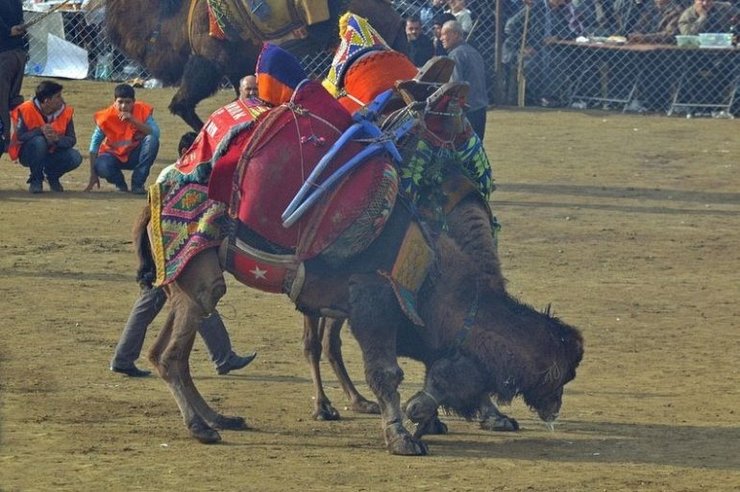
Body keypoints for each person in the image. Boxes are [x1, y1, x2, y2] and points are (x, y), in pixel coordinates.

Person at [110, 131, 257, 378]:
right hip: (174, 247)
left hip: (173, 245)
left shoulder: (179, 173)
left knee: (179, 298)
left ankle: (125, 357)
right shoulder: (182, 175)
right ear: (185, 152)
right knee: (195, 295)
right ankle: (222, 356)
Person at [8, 81, 83, 193]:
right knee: (39, 142)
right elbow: (20, 137)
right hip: (29, 154)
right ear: (47, 101)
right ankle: (36, 179)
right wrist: (39, 131)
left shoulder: (65, 112)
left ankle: (52, 176)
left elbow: (71, 139)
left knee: (75, 157)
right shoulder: (26, 109)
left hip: (53, 152)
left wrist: (57, 139)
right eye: (58, 96)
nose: (62, 100)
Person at [85, 84, 160, 194]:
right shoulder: (106, 117)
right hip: (112, 156)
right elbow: (94, 145)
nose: (124, 106)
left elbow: (155, 133)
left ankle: (137, 184)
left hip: (135, 155)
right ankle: (120, 184)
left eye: (128, 102)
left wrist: (133, 120)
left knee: (152, 140)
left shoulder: (142, 110)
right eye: (120, 102)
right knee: (102, 165)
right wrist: (93, 173)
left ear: (134, 102)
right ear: (114, 102)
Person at [440, 20, 489, 139]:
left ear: (455, 34)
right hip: (480, 107)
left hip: (466, 110)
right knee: (476, 145)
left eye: (444, 34)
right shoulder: (474, 52)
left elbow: (455, 85)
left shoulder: (455, 55)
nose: (441, 38)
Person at [1, 0, 27, 155]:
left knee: (2, 100)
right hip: (18, 52)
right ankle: (20, 135)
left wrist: (7, 31)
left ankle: (5, 139)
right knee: (12, 99)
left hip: (4, 53)